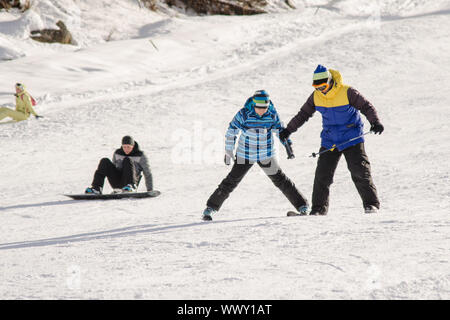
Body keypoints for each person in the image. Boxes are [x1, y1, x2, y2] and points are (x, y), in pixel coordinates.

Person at [279, 65, 384, 215]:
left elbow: (366, 106)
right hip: (330, 140)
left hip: (351, 137)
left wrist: (375, 122)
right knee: (322, 174)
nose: (321, 89)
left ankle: (371, 204)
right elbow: (303, 114)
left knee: (359, 171)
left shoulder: (347, 92)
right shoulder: (316, 96)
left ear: (330, 81)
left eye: (323, 86)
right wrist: (288, 130)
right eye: (317, 87)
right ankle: (318, 210)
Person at [202, 90, 309, 221]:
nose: (261, 111)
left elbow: (281, 131)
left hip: (265, 154)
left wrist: (288, 145)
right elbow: (232, 131)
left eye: (264, 108)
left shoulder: (272, 114)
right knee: (231, 181)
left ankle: (302, 206)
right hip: (245, 154)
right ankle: (210, 208)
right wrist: (229, 151)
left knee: (280, 180)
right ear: (254, 105)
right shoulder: (244, 114)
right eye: (259, 108)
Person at [85, 135, 154, 194]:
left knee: (127, 160)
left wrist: (150, 190)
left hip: (131, 180)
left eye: (128, 147)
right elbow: (113, 169)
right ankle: (96, 188)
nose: (126, 149)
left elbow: (147, 173)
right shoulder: (117, 153)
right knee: (104, 161)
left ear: (133, 146)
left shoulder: (140, 155)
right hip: (117, 181)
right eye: (124, 147)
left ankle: (131, 186)